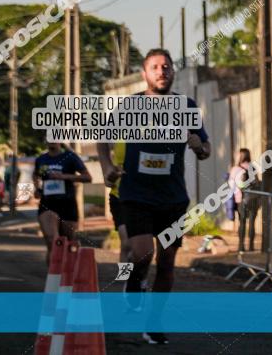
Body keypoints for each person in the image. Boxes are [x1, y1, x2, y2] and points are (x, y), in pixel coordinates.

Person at [97, 48, 211, 346]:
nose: (162, 71)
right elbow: (103, 138)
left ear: (173, 71)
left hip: (173, 198)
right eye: (155, 67)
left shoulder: (185, 106)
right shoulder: (129, 106)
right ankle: (134, 281)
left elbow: (205, 150)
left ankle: (154, 322)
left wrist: (199, 145)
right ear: (145, 73)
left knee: (168, 262)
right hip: (136, 195)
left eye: (167, 66)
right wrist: (108, 167)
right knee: (142, 252)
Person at [33, 142, 92, 264]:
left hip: (67, 204)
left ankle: (68, 277)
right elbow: (35, 175)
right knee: (52, 241)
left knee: (68, 243)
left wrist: (64, 177)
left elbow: (87, 177)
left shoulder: (70, 157)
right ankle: (53, 279)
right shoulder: (41, 159)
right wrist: (37, 188)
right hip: (48, 203)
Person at [229, 148, 259, 253]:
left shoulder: (236, 169)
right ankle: (251, 246)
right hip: (254, 198)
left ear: (240, 156)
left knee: (242, 223)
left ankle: (241, 246)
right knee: (252, 223)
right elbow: (257, 183)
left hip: (241, 199)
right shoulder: (253, 167)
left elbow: (232, 185)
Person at [107, 140, 132, 266]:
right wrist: (106, 168)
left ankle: (139, 279)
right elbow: (102, 144)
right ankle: (125, 278)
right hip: (119, 195)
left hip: (143, 196)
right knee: (126, 242)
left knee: (140, 246)